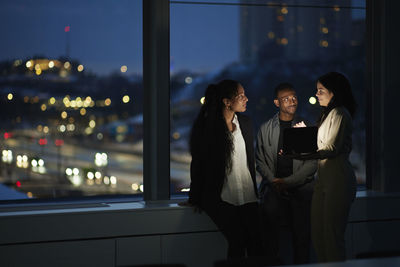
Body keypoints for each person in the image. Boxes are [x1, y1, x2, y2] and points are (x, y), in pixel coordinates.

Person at [187, 79, 263, 259]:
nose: (246, 99)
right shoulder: (209, 127)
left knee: (256, 244)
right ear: (227, 102)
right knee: (237, 242)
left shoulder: (246, 123)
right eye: (241, 96)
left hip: (247, 195)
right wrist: (194, 196)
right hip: (222, 197)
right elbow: (199, 163)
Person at [255, 83, 317, 264]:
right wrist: (274, 181)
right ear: (277, 102)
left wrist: (288, 182)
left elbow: (312, 163)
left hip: (300, 186)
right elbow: (260, 160)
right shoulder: (266, 128)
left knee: (302, 236)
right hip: (274, 186)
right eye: (286, 98)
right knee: (270, 232)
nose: (292, 101)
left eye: (294, 97)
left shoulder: (305, 126)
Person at [307, 72, 357, 262]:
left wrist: (306, 153)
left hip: (338, 177)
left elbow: (332, 148)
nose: (317, 94)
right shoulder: (328, 114)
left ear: (333, 93)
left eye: (321, 90)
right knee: (319, 234)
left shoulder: (340, 113)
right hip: (325, 178)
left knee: (332, 236)